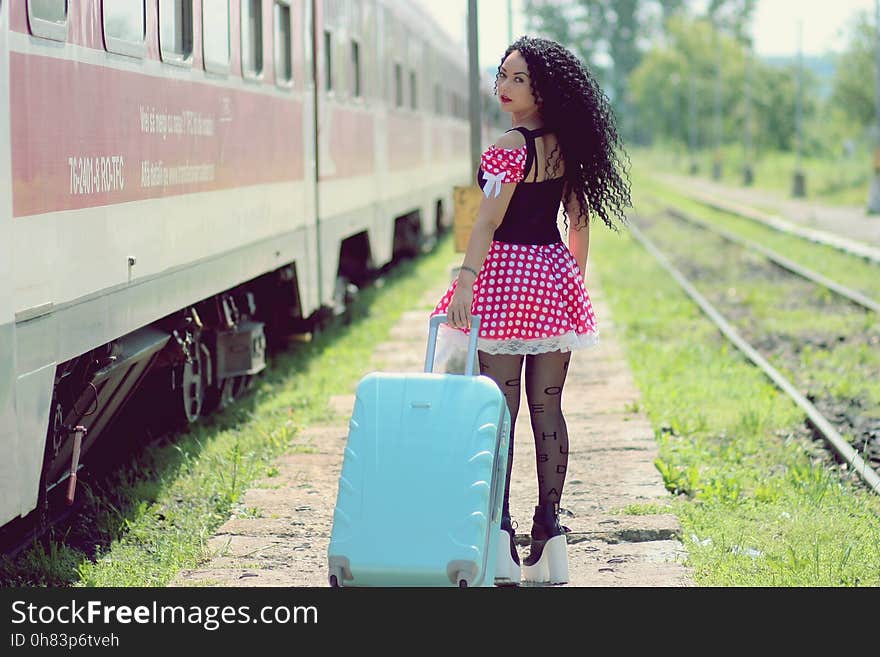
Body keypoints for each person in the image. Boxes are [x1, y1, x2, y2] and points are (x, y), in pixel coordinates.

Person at [431, 36, 631, 586]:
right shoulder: (566, 145)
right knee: (548, 409)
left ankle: (498, 534)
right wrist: (573, 283)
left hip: (504, 281)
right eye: (502, 75)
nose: (504, 86)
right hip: (549, 276)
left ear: (543, 88)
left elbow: (487, 223)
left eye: (518, 78)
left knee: (499, 414)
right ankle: (550, 534)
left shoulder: (509, 144)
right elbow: (579, 222)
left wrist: (466, 281)